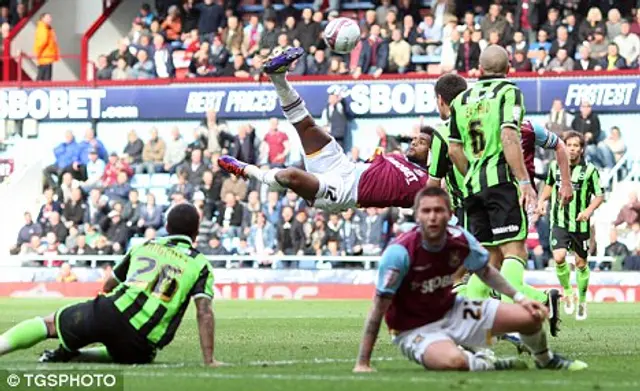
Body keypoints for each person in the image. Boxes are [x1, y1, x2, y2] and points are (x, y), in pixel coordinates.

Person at [353, 187, 587, 373]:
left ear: (450, 214)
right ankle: (489, 364)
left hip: (452, 311)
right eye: (426, 211)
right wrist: (363, 362)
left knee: (530, 317)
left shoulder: (460, 240)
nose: (433, 217)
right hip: (414, 328)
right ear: (417, 215)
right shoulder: (399, 253)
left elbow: (486, 271)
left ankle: (546, 361)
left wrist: (520, 298)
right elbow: (378, 306)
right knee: (454, 362)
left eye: (438, 210)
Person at [0, 203, 221, 366]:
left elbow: (110, 283)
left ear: (166, 226)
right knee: (128, 353)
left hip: (110, 312)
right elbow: (204, 312)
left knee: (49, 325)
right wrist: (209, 359)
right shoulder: (200, 264)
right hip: (141, 343)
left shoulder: (145, 246)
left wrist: (105, 296)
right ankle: (77, 355)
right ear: (196, 231)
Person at [218, 47, 431, 213]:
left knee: (291, 175)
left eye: (421, 142)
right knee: (307, 126)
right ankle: (277, 76)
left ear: (433, 153)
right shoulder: (401, 157)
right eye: (415, 138)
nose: (413, 142)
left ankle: (247, 170)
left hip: (345, 192)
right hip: (344, 166)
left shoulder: (427, 183)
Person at [447, 45, 562, 336]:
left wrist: (471, 173)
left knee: (487, 259)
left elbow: (454, 148)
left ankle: (467, 327)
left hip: (472, 187)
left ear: (479, 68)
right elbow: (509, 135)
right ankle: (529, 307)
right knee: (514, 251)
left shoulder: (461, 99)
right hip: (500, 184)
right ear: (509, 67)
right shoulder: (509, 92)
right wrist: (525, 182)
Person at [537, 131, 604, 321]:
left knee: (580, 263)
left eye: (576, 145)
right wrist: (542, 200)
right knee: (558, 258)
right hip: (559, 221)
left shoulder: (590, 170)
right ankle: (567, 292)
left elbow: (599, 195)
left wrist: (589, 211)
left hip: (580, 225)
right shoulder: (554, 166)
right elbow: (549, 185)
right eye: (569, 145)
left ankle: (582, 300)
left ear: (581, 149)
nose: (572, 149)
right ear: (564, 147)